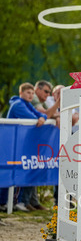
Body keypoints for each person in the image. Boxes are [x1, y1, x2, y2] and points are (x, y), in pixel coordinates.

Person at [7, 82, 48, 211]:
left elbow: (41, 115)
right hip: (12, 144)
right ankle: (14, 202)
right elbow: (33, 118)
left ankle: (21, 202)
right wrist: (40, 118)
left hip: (20, 144)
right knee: (15, 171)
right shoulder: (18, 104)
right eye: (28, 93)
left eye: (32, 93)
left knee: (27, 169)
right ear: (21, 93)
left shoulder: (27, 104)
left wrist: (42, 117)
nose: (31, 95)